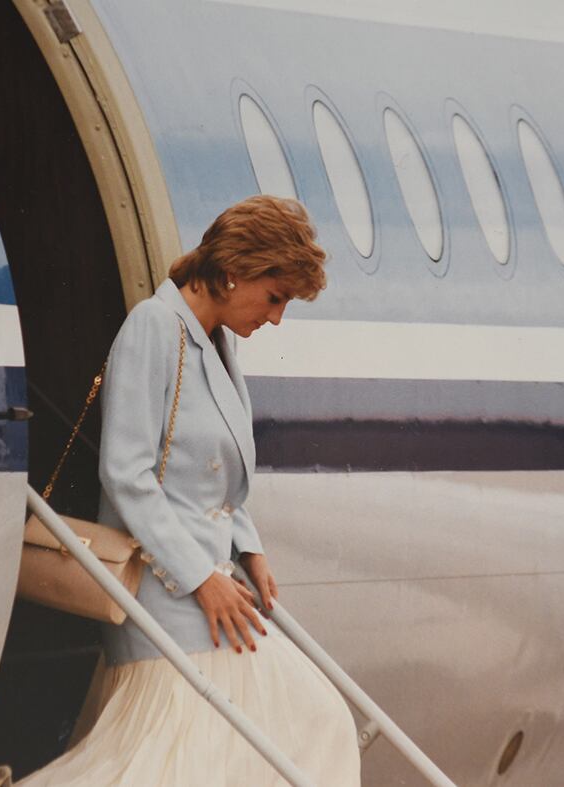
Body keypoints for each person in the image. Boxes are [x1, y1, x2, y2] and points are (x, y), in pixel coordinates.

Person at [18, 196, 360, 785]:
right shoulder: (154, 328)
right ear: (235, 271)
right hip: (169, 589)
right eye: (275, 297)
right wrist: (202, 578)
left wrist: (248, 547)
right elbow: (126, 474)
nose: (276, 318)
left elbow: (217, 477)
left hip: (208, 587)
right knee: (237, 743)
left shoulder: (216, 342)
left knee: (271, 736)